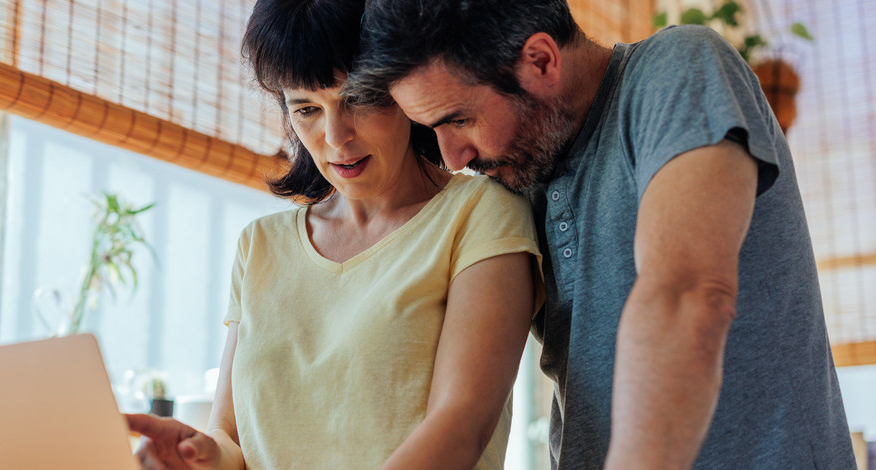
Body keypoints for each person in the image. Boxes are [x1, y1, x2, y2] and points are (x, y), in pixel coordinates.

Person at [346, 1, 855, 468]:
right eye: (432, 129)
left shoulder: (677, 69)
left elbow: (684, 294)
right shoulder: (520, 172)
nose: (454, 156)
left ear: (541, 61)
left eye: (460, 119)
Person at [125, 0, 543, 468]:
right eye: (307, 109)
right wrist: (197, 455)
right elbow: (231, 439)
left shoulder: (481, 213)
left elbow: (463, 424)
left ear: (403, 86)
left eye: (358, 99)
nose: (335, 136)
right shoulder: (260, 246)